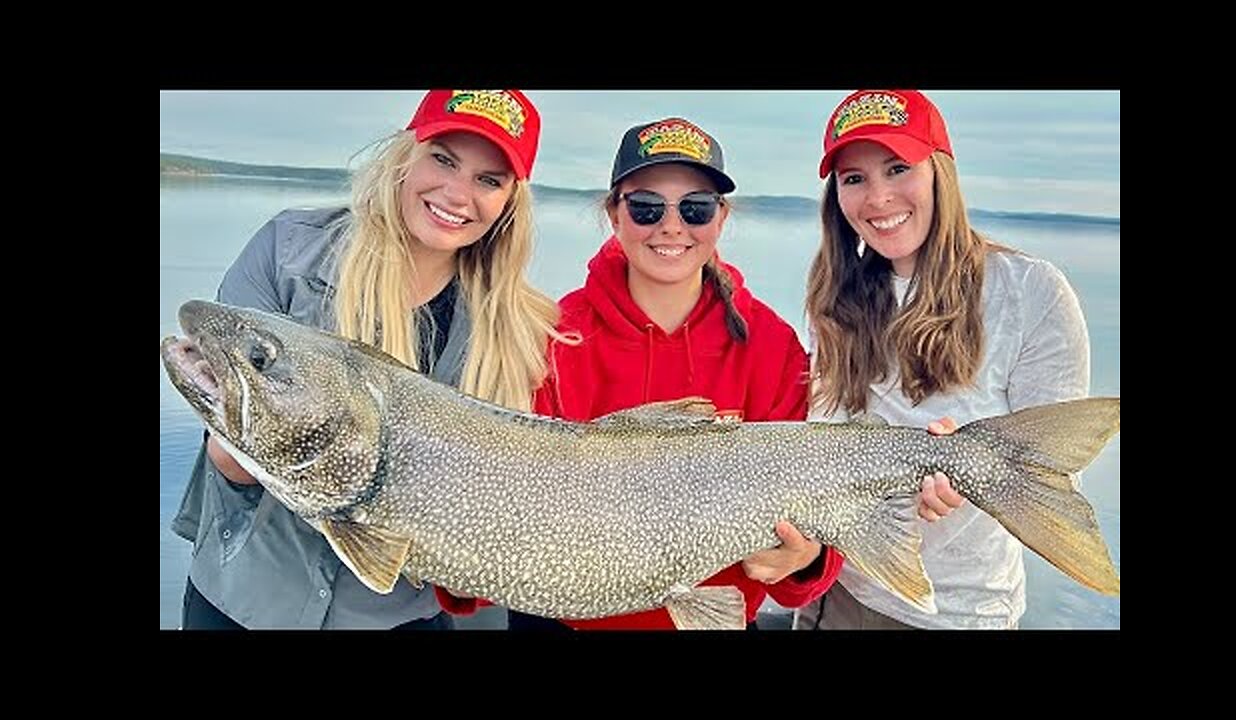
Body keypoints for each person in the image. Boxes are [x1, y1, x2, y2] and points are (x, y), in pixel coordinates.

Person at [171, 89, 563, 629]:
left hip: (398, 617)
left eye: (489, 180)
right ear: (405, 155)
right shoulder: (288, 250)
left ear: (509, 202)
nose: (456, 192)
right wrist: (234, 448)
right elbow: (231, 447)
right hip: (242, 600)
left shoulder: (521, 329)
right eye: (443, 159)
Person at [439, 116, 845, 630]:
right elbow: (500, 506)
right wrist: (454, 564)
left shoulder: (771, 346)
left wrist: (803, 560)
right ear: (614, 213)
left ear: (721, 219)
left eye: (695, 208)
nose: (671, 226)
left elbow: (817, 508)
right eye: (646, 206)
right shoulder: (552, 337)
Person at [795, 90, 1091, 630]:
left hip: (959, 610)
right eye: (853, 178)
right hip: (839, 591)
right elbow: (826, 431)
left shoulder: (1031, 291)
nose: (878, 197)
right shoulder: (831, 297)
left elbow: (1051, 466)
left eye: (898, 168)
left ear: (941, 173)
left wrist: (969, 464)